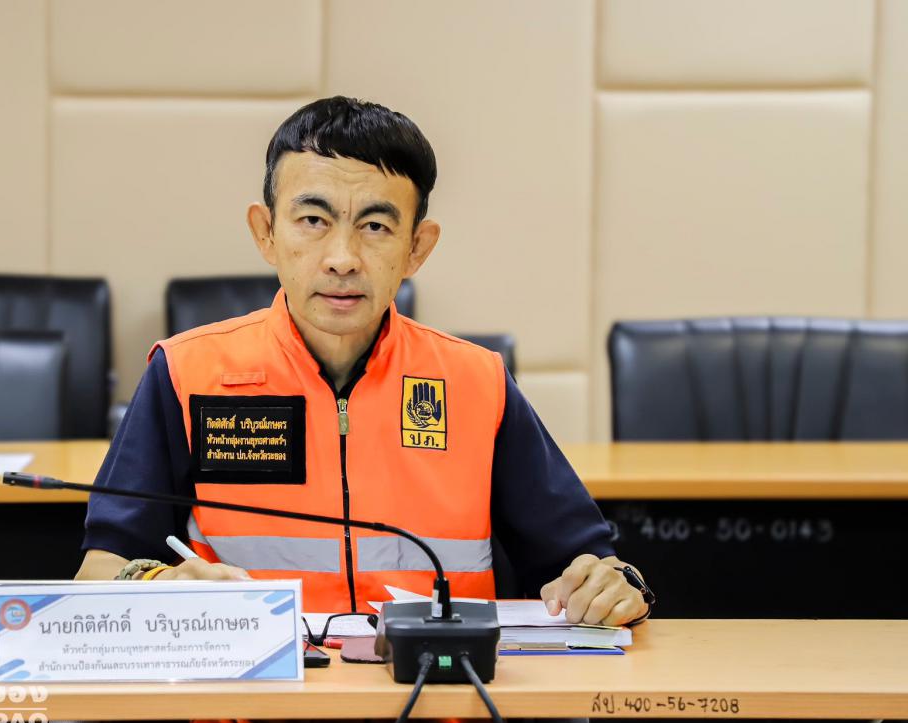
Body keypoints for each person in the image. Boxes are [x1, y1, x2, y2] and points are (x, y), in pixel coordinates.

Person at [78, 96, 651, 626]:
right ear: (265, 232)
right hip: (251, 693)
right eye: (313, 220)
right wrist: (153, 582)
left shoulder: (476, 383)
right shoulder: (186, 374)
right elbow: (98, 572)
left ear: (417, 248)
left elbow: (590, 563)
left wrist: (613, 584)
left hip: (442, 691)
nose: (342, 258)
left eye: (375, 227)